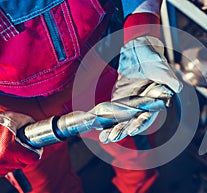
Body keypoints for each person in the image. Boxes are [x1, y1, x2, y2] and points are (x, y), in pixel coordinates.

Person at [0, 0, 182, 193]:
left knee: (138, 165)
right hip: (12, 113)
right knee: (46, 188)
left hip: (105, 70)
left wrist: (140, 32)